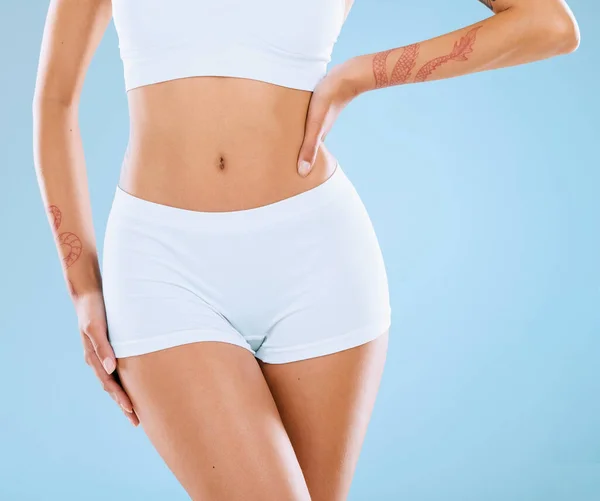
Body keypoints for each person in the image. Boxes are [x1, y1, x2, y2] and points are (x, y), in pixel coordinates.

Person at [32, 0, 579, 499]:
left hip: (318, 263)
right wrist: (82, 287)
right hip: (162, 265)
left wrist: (363, 74)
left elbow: (549, 23)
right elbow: (55, 100)